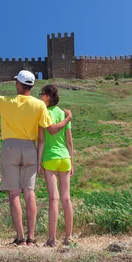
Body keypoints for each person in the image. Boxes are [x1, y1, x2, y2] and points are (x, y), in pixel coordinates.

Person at [0, 71, 72, 246]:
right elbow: (51, 128)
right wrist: (68, 118)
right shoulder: (39, 105)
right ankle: (32, 238)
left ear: (19, 84)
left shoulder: (8, 102)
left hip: (10, 147)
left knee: (13, 194)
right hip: (29, 148)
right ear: (32, 86)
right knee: (30, 192)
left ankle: (20, 238)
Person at [37, 84, 74, 247]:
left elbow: (42, 141)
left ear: (47, 96)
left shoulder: (43, 114)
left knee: (54, 198)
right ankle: (69, 237)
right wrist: (72, 161)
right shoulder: (64, 113)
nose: (39, 97)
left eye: (41, 94)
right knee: (66, 198)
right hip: (65, 157)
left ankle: (52, 239)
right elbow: (69, 141)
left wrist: (39, 163)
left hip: (50, 158)